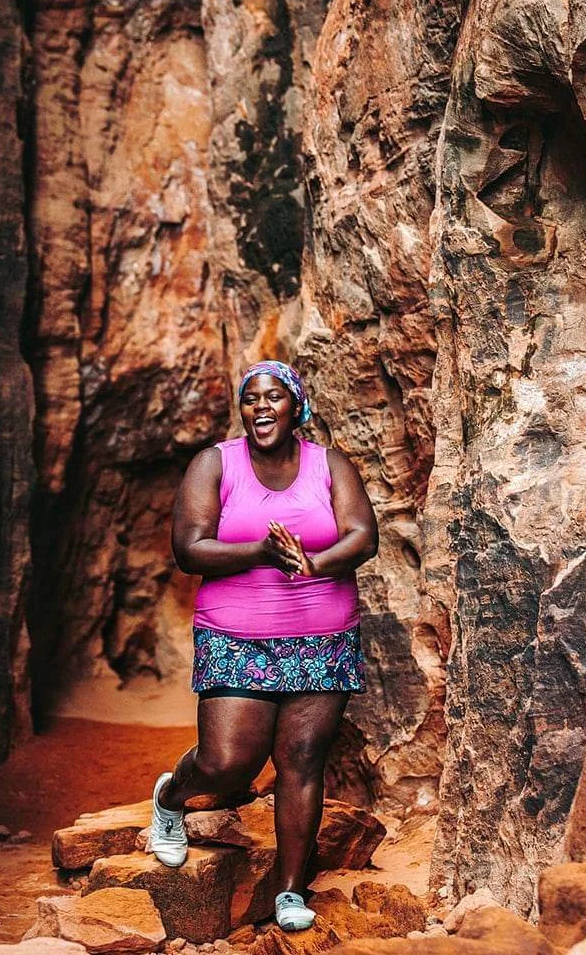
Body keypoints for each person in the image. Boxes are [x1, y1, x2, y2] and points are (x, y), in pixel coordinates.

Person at [149, 360, 378, 932]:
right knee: (229, 763)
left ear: (296, 406)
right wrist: (261, 552)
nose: (262, 407)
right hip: (236, 635)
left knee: (301, 762)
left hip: (323, 637)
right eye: (251, 399)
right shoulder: (215, 464)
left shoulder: (330, 465)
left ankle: (290, 893)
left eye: (275, 397)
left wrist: (314, 563)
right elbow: (189, 548)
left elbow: (362, 535)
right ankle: (172, 797)